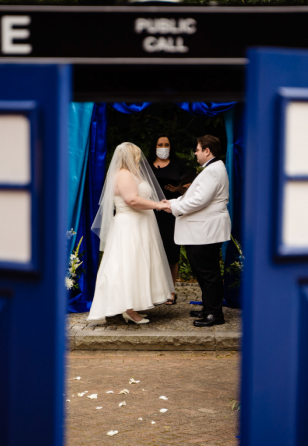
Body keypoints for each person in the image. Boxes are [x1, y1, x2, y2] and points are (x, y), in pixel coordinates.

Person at [88, 142, 174, 325]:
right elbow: (132, 200)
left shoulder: (129, 174)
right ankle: (128, 309)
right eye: (136, 155)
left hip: (139, 225)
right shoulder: (124, 174)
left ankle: (131, 305)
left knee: (136, 264)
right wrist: (158, 205)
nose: (139, 159)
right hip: (130, 225)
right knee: (128, 264)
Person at [159, 135, 231, 327]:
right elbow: (196, 196)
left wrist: (172, 208)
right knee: (203, 272)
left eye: (197, 149)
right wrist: (172, 202)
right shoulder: (212, 169)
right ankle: (209, 307)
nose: (195, 153)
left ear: (207, 151)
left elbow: (200, 200)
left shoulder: (213, 171)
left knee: (208, 273)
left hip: (205, 231)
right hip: (202, 230)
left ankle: (215, 314)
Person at [149, 133, 191, 305]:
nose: (163, 148)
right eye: (160, 144)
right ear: (154, 146)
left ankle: (171, 292)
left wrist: (178, 189)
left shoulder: (179, 165)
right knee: (151, 252)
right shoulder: (146, 165)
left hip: (171, 213)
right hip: (150, 214)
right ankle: (152, 292)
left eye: (166, 144)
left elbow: (190, 188)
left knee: (171, 253)